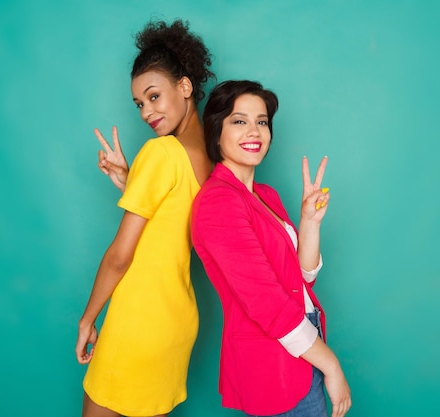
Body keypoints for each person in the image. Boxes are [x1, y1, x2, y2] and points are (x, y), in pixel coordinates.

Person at [75, 19, 214, 417]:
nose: (146, 112)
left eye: (154, 96)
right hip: (176, 325)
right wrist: (130, 182)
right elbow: (174, 224)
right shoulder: (210, 159)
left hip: (138, 323)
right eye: (139, 104)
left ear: (185, 87)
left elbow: (121, 255)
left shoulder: (159, 153)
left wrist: (88, 318)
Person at [191, 80, 352, 417]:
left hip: (303, 342)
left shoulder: (265, 194)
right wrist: (332, 366)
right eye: (239, 121)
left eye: (261, 121)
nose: (255, 131)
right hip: (274, 357)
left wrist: (309, 221)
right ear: (216, 131)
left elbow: (303, 277)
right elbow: (267, 303)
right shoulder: (219, 201)